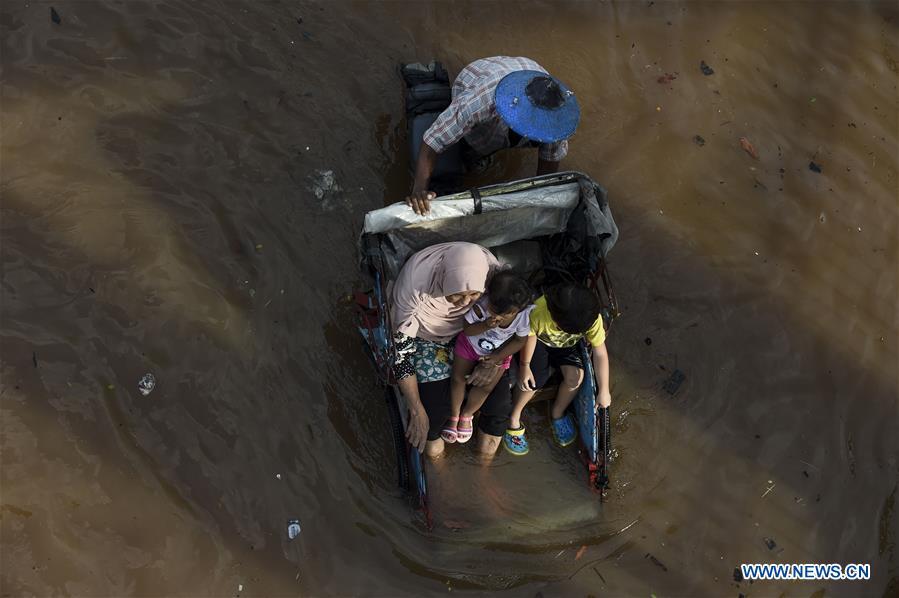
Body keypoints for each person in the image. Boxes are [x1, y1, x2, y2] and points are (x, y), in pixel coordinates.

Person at [406, 56, 581, 215]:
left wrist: (539, 201)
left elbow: (548, 168)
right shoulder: (480, 102)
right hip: (473, 81)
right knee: (468, 161)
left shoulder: (555, 120)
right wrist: (419, 190)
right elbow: (433, 140)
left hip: (521, 71)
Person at [390, 242, 513, 458]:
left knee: (499, 405)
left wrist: (493, 361)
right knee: (433, 416)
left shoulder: (491, 274)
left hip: (474, 333)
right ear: (444, 280)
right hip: (424, 336)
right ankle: (440, 472)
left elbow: (508, 322)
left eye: (475, 294)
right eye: (457, 294)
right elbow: (401, 355)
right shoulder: (414, 286)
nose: (464, 303)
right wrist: (416, 408)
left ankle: (484, 468)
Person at [504, 283, 612, 456]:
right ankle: (514, 417)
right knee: (534, 379)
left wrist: (604, 390)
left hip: (565, 346)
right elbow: (529, 337)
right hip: (537, 342)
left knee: (576, 377)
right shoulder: (539, 310)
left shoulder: (591, 320)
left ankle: (557, 412)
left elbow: (600, 354)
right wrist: (524, 367)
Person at [442, 271, 535, 444]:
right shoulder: (482, 306)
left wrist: (497, 357)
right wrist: (484, 325)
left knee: (486, 387)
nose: (497, 317)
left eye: (505, 315)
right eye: (493, 310)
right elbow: (468, 330)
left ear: (518, 309)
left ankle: (466, 415)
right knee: (457, 378)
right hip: (469, 344)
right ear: (488, 296)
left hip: (499, 352)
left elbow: (519, 341)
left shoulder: (523, 317)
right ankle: (454, 415)